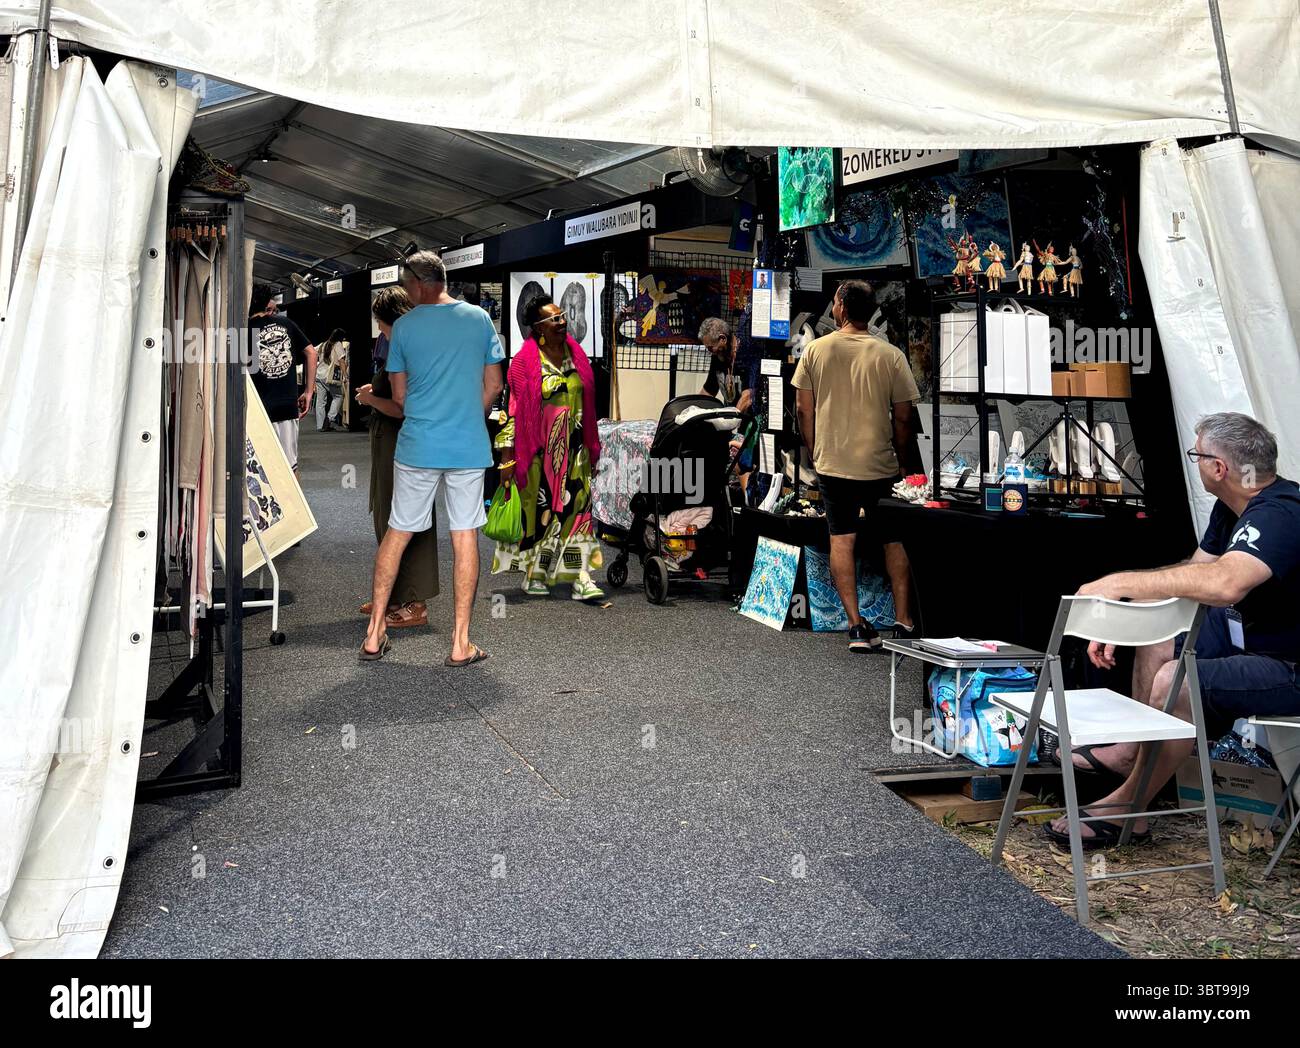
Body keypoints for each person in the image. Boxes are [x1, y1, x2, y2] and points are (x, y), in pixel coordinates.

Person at [1046, 413, 1300, 849]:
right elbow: (1194, 574)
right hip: (1255, 641)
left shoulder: (1282, 513)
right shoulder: (1234, 506)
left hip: (1289, 666)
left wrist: (1119, 583)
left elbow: (1224, 584)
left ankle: (1131, 810)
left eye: (1197, 454)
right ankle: (1131, 755)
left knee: (1174, 680)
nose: (1194, 460)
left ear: (1218, 468)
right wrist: (1123, 610)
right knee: (1160, 637)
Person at [360, 251, 504, 665]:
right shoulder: (478, 319)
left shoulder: (402, 329)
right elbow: (493, 385)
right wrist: (465, 417)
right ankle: (460, 643)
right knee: (465, 538)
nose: (407, 293)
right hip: (466, 446)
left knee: (398, 532)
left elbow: (401, 398)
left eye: (407, 286)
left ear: (419, 285)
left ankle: (375, 635)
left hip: (418, 446)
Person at [792, 279, 919, 653]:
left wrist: (815, 449)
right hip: (881, 464)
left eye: (834, 301)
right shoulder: (890, 355)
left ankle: (856, 626)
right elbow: (903, 417)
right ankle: (905, 620)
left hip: (834, 464)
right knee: (893, 540)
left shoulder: (815, 351)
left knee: (842, 540)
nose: (833, 307)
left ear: (843, 308)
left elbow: (803, 408)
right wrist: (899, 455)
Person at [492, 295, 604, 600]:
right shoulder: (523, 363)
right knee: (541, 515)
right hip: (538, 453)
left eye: (563, 315)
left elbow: (589, 404)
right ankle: (537, 572)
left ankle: (581, 576)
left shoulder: (577, 356)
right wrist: (507, 459)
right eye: (554, 318)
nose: (562, 321)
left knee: (578, 511)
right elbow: (512, 411)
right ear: (538, 327)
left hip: (576, 450)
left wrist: (592, 447)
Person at [354, 288, 439, 630]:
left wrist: (370, 400)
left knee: (406, 518)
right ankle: (394, 594)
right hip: (396, 440)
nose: (378, 329)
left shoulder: (407, 348)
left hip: (404, 441)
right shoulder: (410, 344)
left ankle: (414, 603)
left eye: (380, 322)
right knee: (393, 514)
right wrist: (373, 394)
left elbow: (404, 408)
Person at [249, 284, 316, 476]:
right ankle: (294, 506)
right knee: (290, 467)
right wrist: (308, 391)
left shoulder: (242, 331)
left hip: (259, 409)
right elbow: (312, 353)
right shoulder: (286, 324)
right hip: (287, 405)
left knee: (260, 470)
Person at [697, 316, 753, 412]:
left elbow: (748, 396)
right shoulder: (717, 358)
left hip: (749, 418)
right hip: (732, 415)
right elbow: (708, 391)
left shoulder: (746, 354)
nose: (710, 352)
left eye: (711, 348)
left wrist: (733, 420)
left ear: (723, 339)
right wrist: (694, 411)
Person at [315, 327, 350, 432]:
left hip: (319, 375)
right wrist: (345, 375)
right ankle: (329, 419)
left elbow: (312, 351)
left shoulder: (322, 344)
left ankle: (320, 425)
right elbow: (342, 361)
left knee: (320, 401)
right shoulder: (337, 345)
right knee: (338, 396)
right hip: (329, 376)